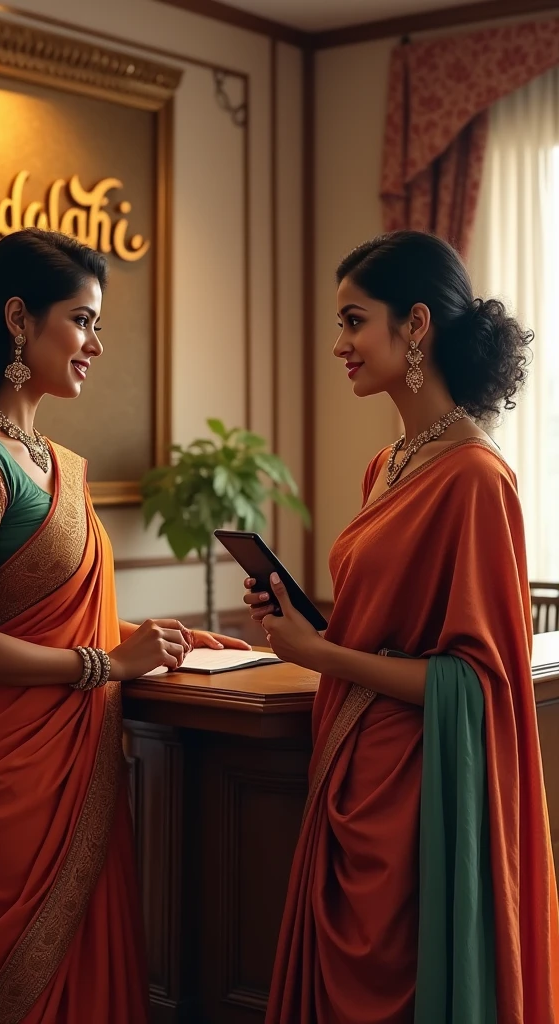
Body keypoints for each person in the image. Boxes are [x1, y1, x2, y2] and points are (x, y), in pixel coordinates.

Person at [0, 227, 250, 1024]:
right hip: (3, 787)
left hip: (78, 771)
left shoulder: (54, 460)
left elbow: (55, 612)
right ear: (19, 319)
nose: (95, 343)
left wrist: (163, 638)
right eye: (81, 320)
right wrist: (108, 666)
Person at [244, 231, 559, 1023]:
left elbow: (481, 681)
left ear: (415, 324)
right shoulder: (388, 466)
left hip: (422, 797)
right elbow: (380, 624)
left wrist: (319, 652)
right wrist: (306, 624)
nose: (339, 344)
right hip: (351, 768)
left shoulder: (478, 480)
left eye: (355, 321)